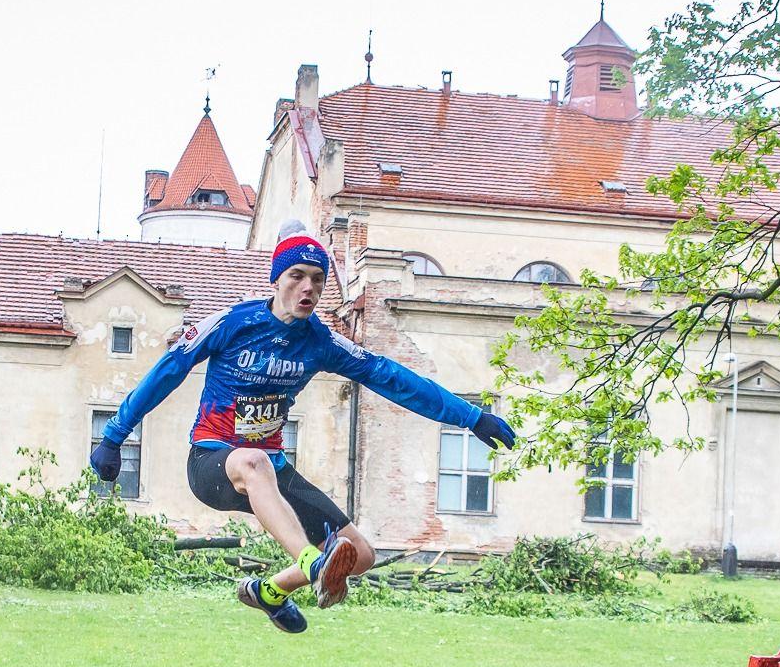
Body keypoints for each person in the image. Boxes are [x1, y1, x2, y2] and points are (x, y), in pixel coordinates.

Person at [90, 222, 516, 632]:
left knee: (360, 554)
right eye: (296, 276)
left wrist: (471, 416)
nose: (308, 288)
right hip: (213, 463)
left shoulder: (321, 341)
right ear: (276, 280)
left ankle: (270, 592)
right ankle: (313, 563)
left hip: (272, 472)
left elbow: (390, 376)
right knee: (255, 462)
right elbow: (169, 370)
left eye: (317, 278)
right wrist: (114, 436)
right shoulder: (233, 323)